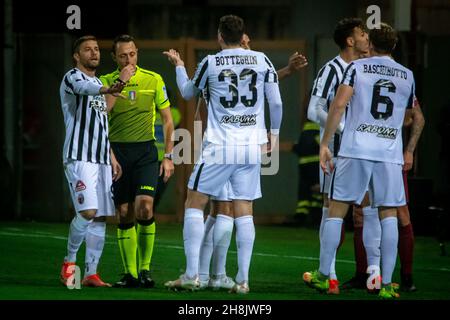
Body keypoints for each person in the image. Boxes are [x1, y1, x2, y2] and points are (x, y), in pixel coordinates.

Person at [163, 14, 283, 294]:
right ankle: (242, 280)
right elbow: (275, 101)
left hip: (220, 146)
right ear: (244, 36)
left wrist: (180, 66)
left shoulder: (211, 62)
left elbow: (188, 92)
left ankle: (192, 274)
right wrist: (273, 135)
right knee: (244, 211)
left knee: (194, 203)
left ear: (219, 36)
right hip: (252, 146)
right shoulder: (262, 60)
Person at [304, 22, 425, 299]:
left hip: (355, 149)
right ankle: (384, 284)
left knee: (337, 209)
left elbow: (338, 105)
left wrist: (325, 143)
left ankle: (325, 276)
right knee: (388, 214)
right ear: (393, 46)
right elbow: (410, 116)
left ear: (370, 44)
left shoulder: (356, 68)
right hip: (388, 153)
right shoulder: (407, 75)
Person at [196, 33, 307, 290]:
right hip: (238, 145)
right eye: (244, 41)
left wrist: (288, 70)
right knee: (230, 209)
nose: (247, 45)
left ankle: (208, 274)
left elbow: (253, 82)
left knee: (224, 210)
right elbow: (262, 88)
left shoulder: (214, 66)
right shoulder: (233, 65)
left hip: (222, 144)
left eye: (249, 41)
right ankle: (220, 276)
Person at [100, 35, 175, 288]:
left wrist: (168, 156)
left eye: (132, 54)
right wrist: (121, 81)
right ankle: (129, 274)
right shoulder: (105, 82)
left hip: (145, 152)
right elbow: (103, 113)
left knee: (144, 208)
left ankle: (145, 270)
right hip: (117, 153)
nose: (128, 59)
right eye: (123, 56)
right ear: (115, 58)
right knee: (123, 213)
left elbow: (167, 120)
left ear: (137, 53)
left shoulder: (153, 79)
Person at [304, 18, 371, 294]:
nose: (367, 37)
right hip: (337, 150)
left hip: (365, 150)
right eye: (362, 33)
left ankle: (374, 275)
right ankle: (329, 274)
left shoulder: (366, 69)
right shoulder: (331, 70)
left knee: (369, 211)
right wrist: (343, 129)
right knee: (331, 207)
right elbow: (313, 110)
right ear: (350, 41)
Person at [59, 35, 127, 287]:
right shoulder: (73, 77)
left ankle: (90, 274)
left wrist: (111, 155)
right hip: (79, 157)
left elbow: (101, 123)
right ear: (77, 56)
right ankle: (69, 263)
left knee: (99, 216)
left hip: (101, 159)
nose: (94, 53)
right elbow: (83, 89)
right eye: (87, 49)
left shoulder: (99, 81)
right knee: (87, 212)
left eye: (97, 49)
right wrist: (112, 87)